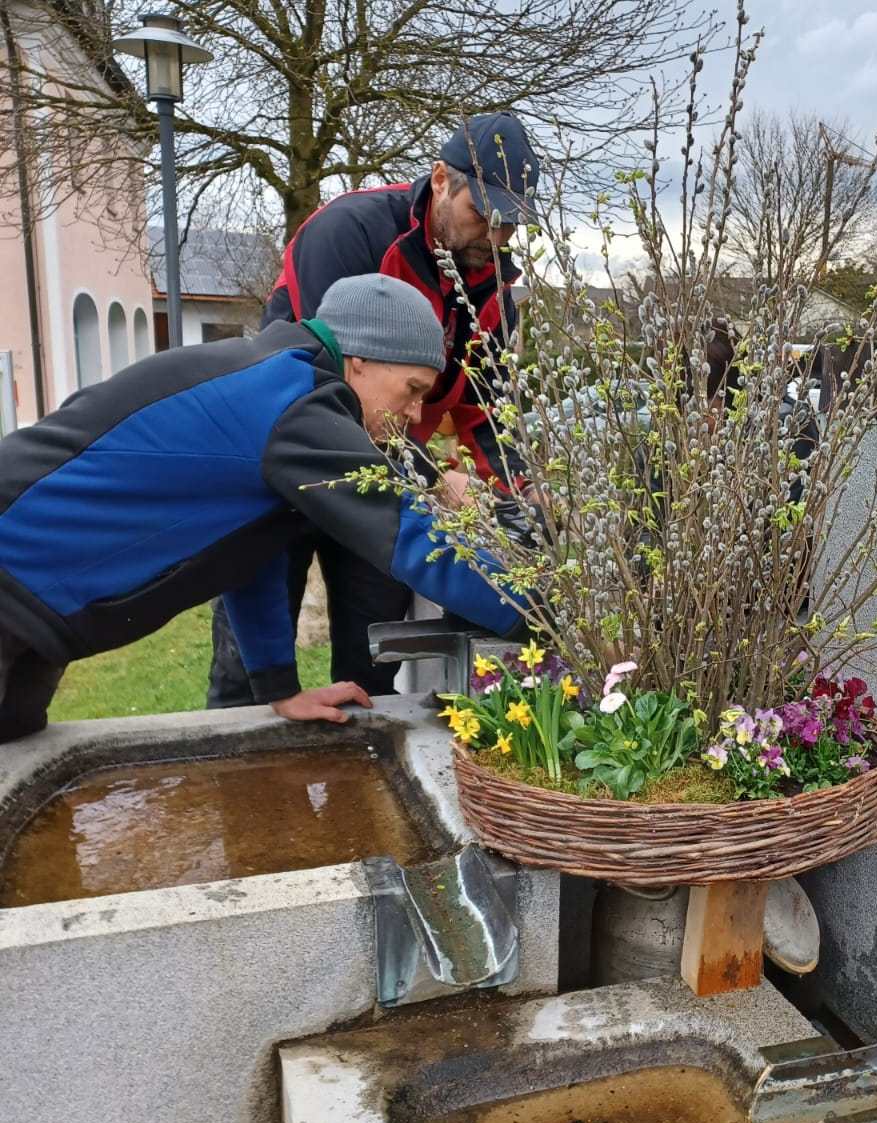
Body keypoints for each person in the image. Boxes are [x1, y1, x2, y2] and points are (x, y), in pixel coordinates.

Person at [0, 275, 529, 746]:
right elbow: (410, 538)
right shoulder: (296, 402)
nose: (415, 413)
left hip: (33, 612)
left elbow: (248, 554)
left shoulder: (279, 386)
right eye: (412, 390)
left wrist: (279, 687)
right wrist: (541, 617)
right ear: (361, 359)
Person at [207, 112, 540, 709]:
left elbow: (485, 409)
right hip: (289, 458)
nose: (496, 233)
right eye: (484, 213)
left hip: (387, 468)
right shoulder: (349, 232)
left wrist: (516, 492)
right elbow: (332, 388)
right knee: (247, 674)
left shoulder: (493, 291)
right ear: (441, 179)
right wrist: (437, 477)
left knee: (373, 666)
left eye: (511, 222)